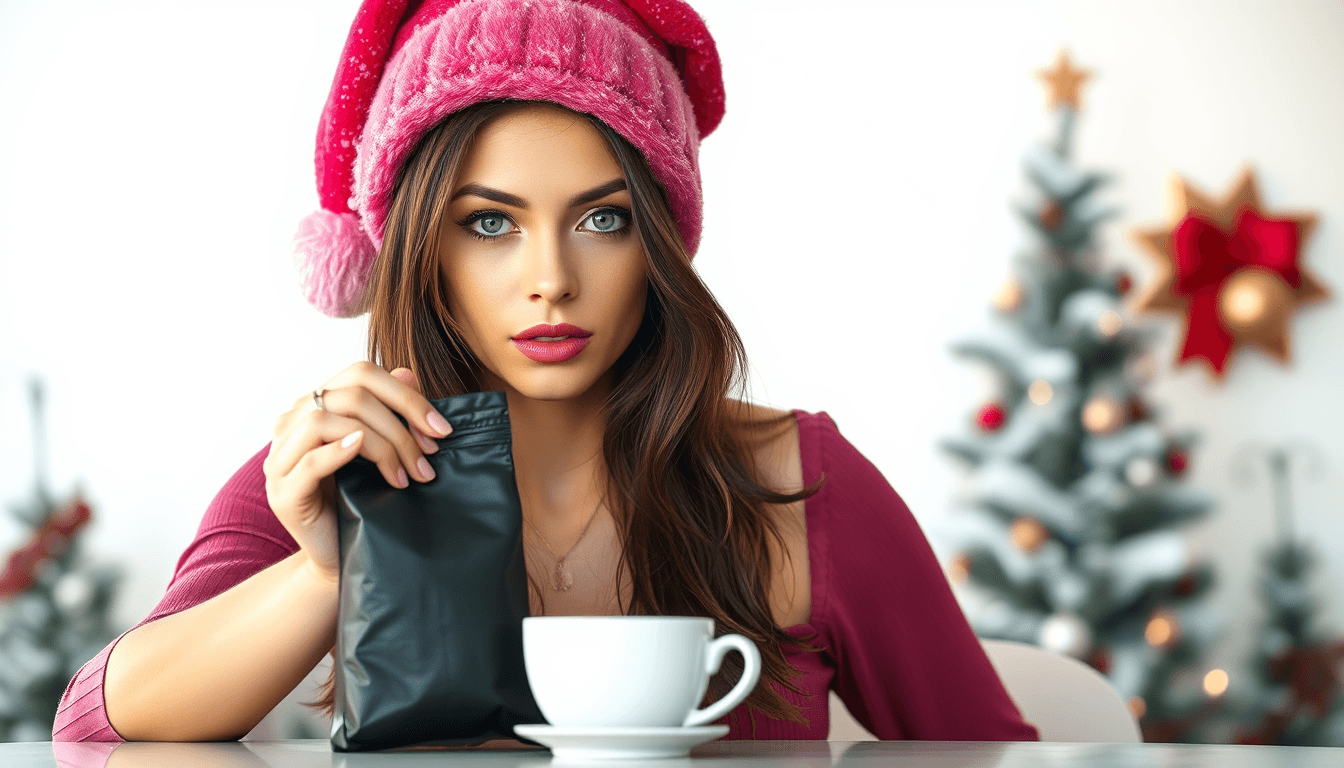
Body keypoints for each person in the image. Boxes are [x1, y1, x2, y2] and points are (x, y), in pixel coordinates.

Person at [53, 0, 1039, 744]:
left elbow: (1000, 759)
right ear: (417, 251)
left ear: (659, 242)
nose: (552, 281)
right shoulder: (342, 461)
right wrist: (328, 566)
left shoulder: (797, 481)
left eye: (603, 220)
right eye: (490, 224)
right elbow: (95, 730)